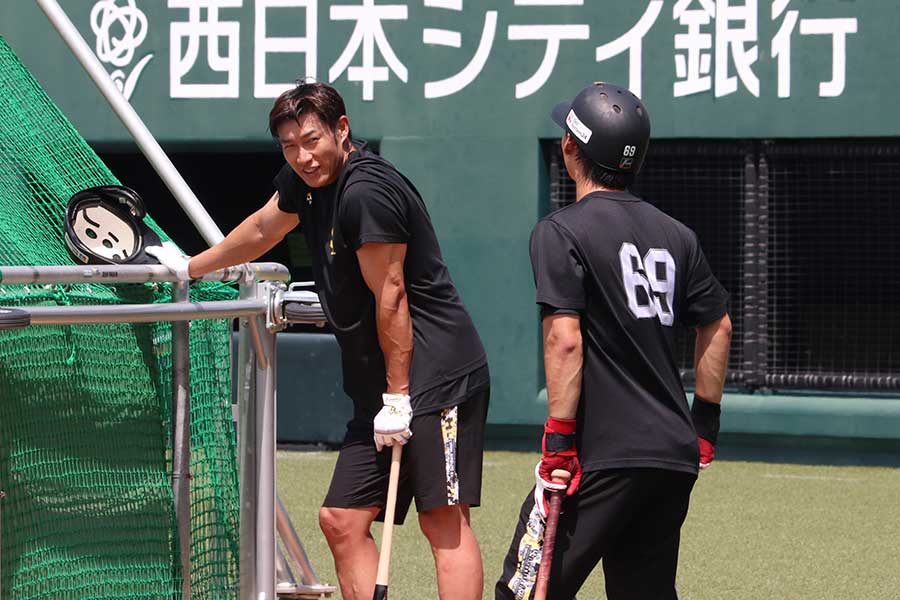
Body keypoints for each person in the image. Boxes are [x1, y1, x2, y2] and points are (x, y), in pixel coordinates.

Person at [148, 81, 489, 600]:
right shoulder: (304, 180)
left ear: (342, 130)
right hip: (381, 386)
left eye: (311, 140)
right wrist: (191, 268)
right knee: (341, 520)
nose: (303, 156)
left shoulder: (367, 191)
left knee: (442, 520)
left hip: (434, 373)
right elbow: (265, 227)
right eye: (290, 146)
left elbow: (392, 295)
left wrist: (399, 397)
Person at [495, 82, 732, 600]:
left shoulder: (561, 231)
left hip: (598, 456)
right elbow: (718, 326)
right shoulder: (678, 234)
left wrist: (558, 440)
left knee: (525, 589)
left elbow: (564, 341)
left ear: (569, 149)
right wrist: (705, 424)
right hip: (671, 455)